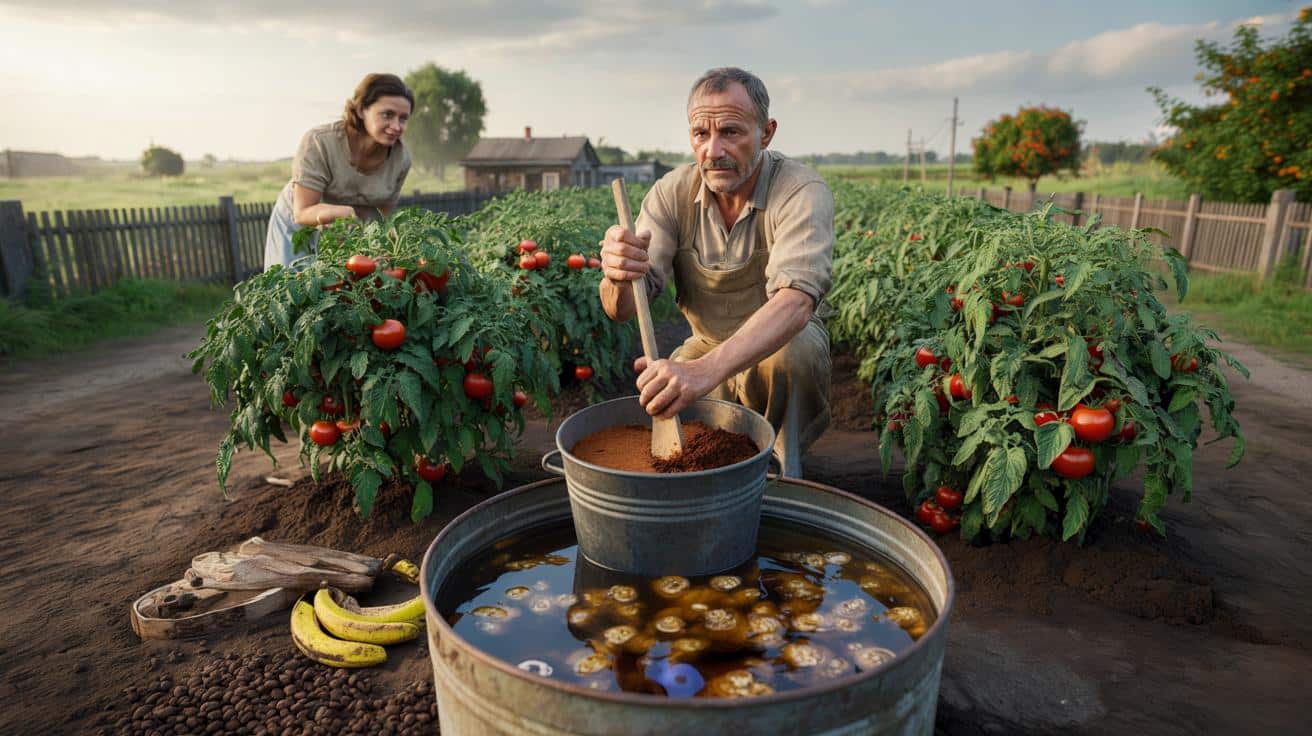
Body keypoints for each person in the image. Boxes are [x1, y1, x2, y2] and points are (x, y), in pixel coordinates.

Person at [598, 67, 835, 478]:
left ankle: (786, 467)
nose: (712, 150)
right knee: (669, 397)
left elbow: (796, 306)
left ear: (766, 132)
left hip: (783, 344)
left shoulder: (799, 190)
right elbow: (621, 310)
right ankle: (710, 473)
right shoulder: (671, 193)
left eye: (731, 132)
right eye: (700, 134)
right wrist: (619, 275)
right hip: (706, 343)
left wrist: (702, 373)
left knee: (790, 358)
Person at [263, 73, 415, 270]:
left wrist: (381, 246)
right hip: (302, 221)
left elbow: (382, 216)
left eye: (403, 118)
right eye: (387, 115)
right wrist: (344, 213)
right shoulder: (319, 142)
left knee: (350, 292)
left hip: (353, 228)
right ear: (361, 110)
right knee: (293, 287)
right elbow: (302, 212)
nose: (396, 126)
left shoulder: (400, 159)